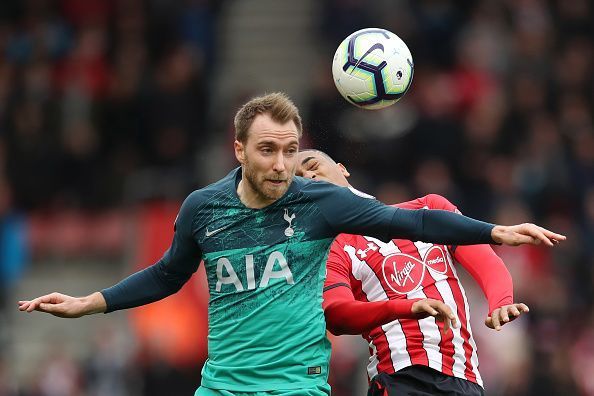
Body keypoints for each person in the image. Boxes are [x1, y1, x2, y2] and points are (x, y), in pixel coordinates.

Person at [18, 93, 564, 396]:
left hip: (299, 386)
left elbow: (416, 224)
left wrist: (492, 231)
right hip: (224, 386)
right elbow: (165, 275)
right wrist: (90, 302)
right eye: (270, 152)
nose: (284, 167)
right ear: (238, 151)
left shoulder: (325, 207)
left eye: (294, 152)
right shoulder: (204, 210)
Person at [295, 149, 531, 396]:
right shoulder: (333, 248)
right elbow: (337, 314)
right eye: (297, 179)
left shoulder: (430, 207)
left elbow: (485, 260)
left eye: (312, 165)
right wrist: (407, 307)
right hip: (399, 378)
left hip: (465, 379)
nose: (307, 176)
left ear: (342, 168)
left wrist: (501, 301)